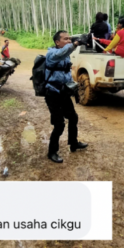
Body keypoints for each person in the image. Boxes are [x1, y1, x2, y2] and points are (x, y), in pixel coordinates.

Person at [44, 30, 89, 164]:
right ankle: (52, 152)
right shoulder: (52, 54)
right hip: (52, 93)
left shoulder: (66, 54)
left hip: (63, 92)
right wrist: (76, 43)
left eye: (69, 39)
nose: (68, 41)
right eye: (65, 39)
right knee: (59, 124)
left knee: (73, 117)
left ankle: (73, 143)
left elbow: (66, 71)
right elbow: (62, 53)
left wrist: (72, 86)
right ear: (57, 42)